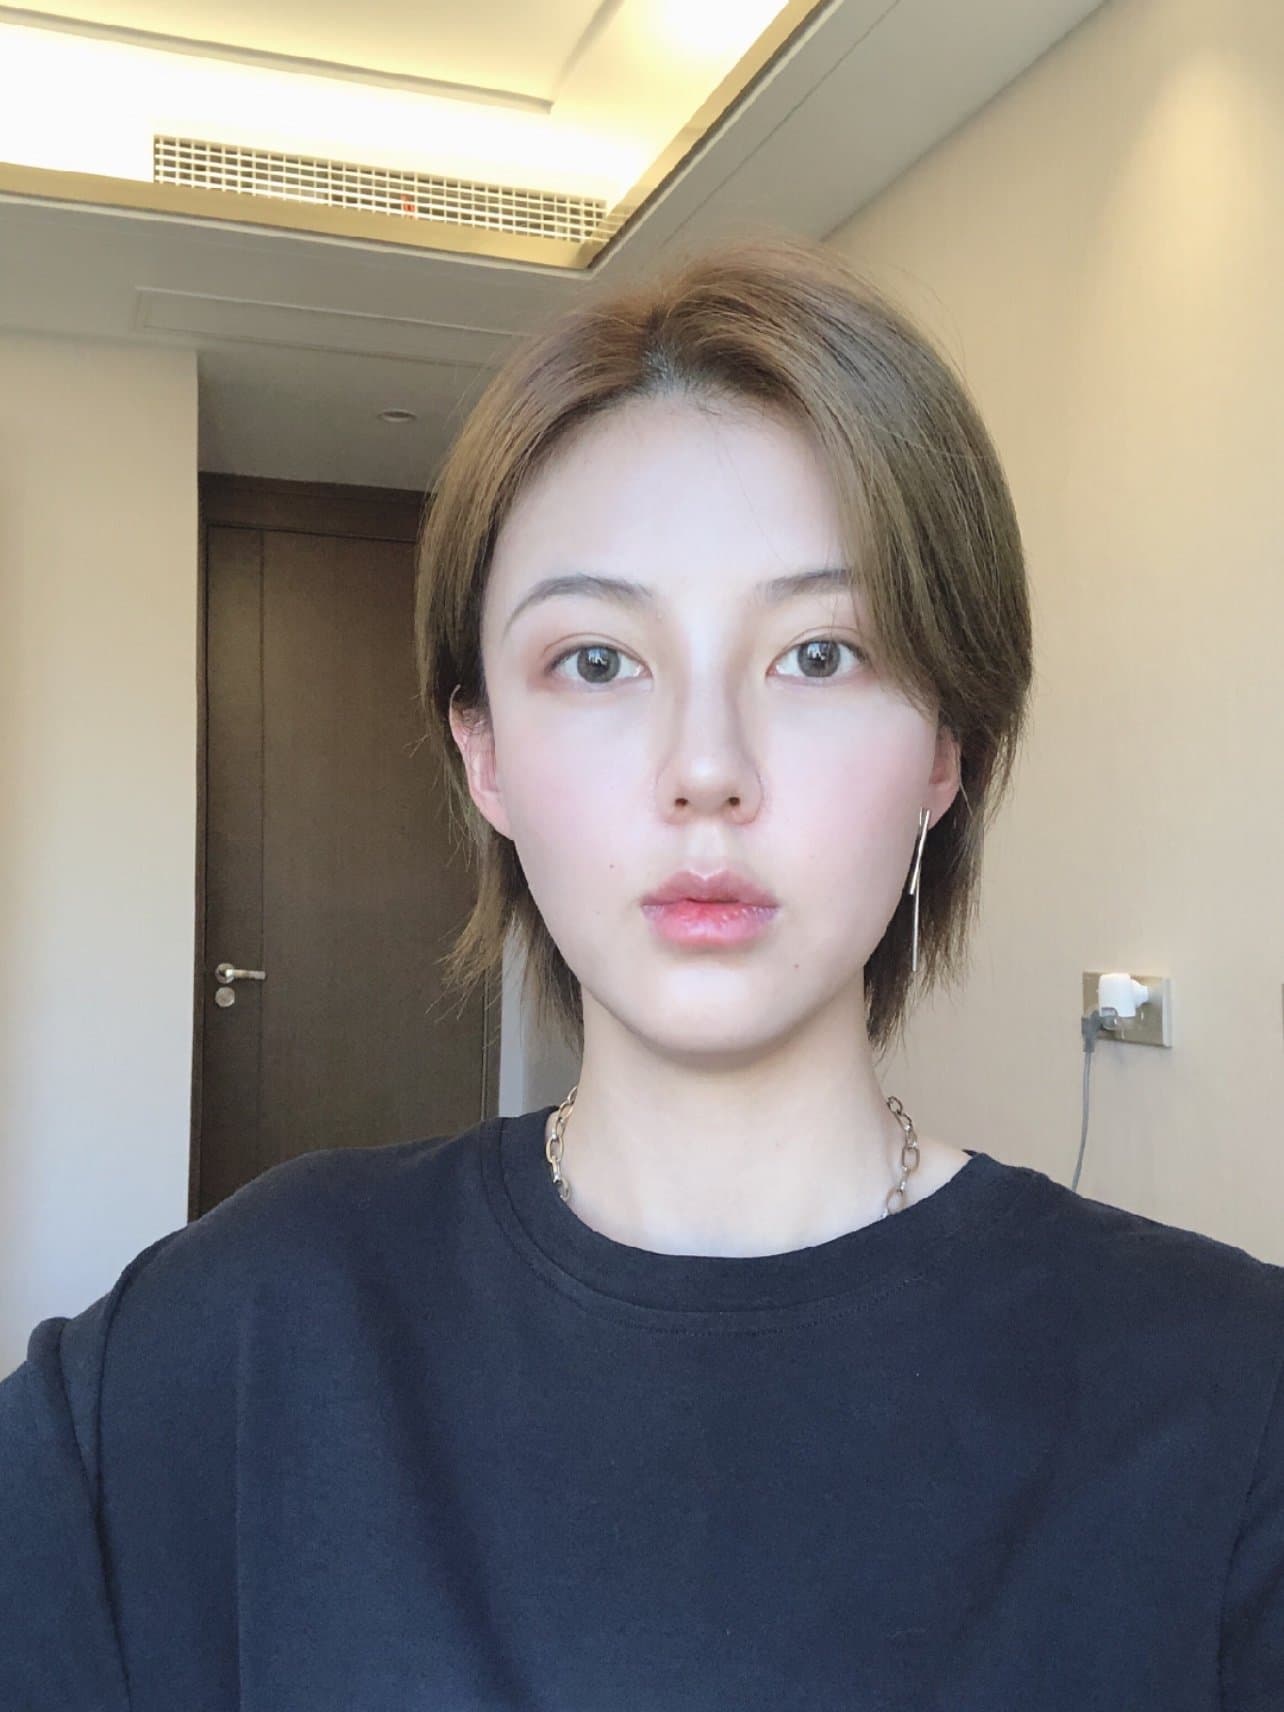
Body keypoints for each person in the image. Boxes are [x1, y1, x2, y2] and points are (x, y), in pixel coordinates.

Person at [2, 234, 1282, 1711]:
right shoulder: (231, 1340)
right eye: (599, 661)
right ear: (483, 753)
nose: (706, 769)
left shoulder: (1227, 1399)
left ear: (948, 747)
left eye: (821, 653)